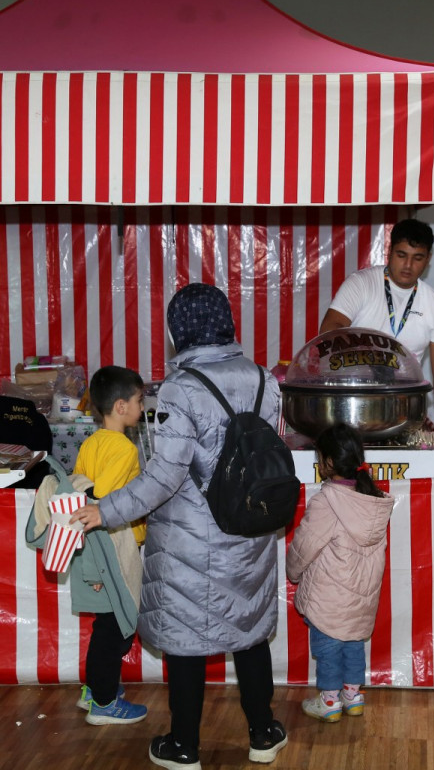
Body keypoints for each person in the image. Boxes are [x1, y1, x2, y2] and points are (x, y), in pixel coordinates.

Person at [70, 283, 288, 768]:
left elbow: (164, 477)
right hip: (250, 528)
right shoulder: (264, 379)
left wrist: (106, 510)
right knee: (249, 629)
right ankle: (263, 733)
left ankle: (184, 745)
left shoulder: (179, 389)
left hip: (191, 538)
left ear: (179, 330)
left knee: (188, 639)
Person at [26, 365, 148, 727]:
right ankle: (104, 702)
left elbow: (80, 490)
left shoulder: (92, 442)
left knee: (105, 625)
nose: (143, 407)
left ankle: (95, 690)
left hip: (90, 546)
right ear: (122, 406)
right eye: (140, 400)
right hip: (113, 547)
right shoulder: (124, 449)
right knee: (117, 628)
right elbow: (102, 502)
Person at [286, 423, 394, 723]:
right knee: (354, 645)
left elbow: (305, 545)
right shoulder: (373, 500)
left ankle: (330, 701)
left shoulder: (327, 502)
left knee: (328, 648)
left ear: (330, 462)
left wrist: (292, 571)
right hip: (362, 596)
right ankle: (352, 696)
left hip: (329, 594)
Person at [319, 218, 434, 432]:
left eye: (417, 258)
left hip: (402, 407)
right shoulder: (361, 283)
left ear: (428, 259)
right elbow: (330, 329)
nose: (408, 265)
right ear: (389, 251)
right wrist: (369, 356)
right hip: (351, 398)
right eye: (401, 255)